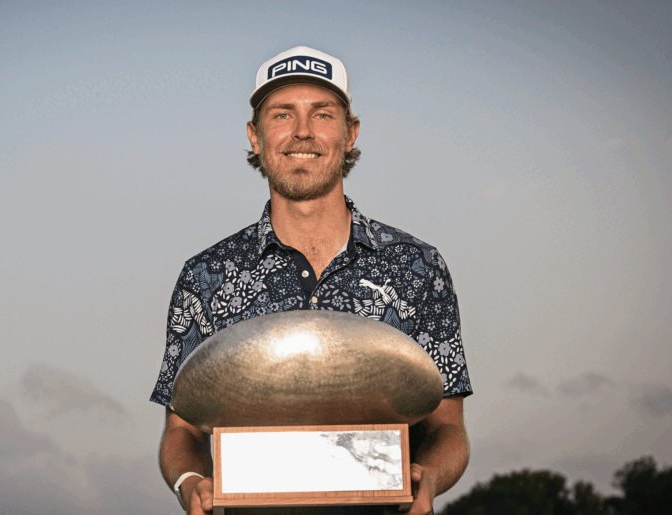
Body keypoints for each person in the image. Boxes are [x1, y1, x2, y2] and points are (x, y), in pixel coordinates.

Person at [150, 46, 472, 515]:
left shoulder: (417, 267)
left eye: (322, 114)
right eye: (282, 114)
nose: (303, 131)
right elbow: (181, 431)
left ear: (350, 132)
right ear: (255, 136)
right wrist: (190, 482)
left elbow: (448, 428)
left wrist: (429, 479)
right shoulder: (206, 276)